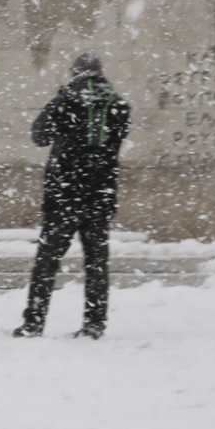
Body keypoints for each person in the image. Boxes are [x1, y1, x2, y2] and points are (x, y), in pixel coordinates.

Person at [15, 53, 132, 340]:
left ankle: (34, 323)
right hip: (100, 194)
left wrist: (60, 104)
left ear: (75, 72)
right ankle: (94, 324)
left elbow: (39, 136)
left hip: (64, 194)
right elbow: (114, 143)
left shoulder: (65, 101)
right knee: (96, 263)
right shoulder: (118, 105)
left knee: (46, 262)